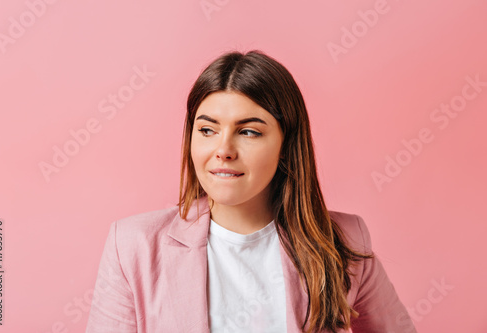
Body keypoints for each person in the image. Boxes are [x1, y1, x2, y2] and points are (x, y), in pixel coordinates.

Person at [85, 50, 417, 333]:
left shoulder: (344, 240)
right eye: (207, 130)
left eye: (248, 132)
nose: (223, 150)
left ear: (285, 144)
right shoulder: (133, 245)